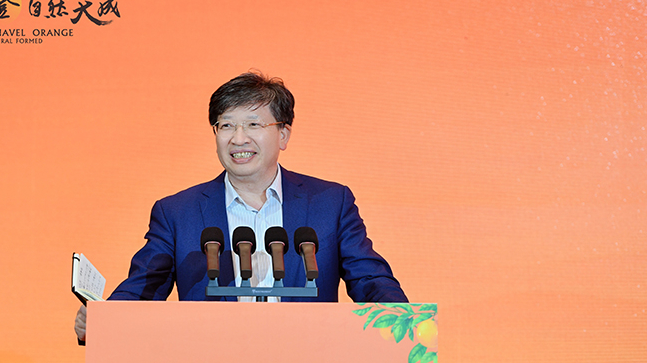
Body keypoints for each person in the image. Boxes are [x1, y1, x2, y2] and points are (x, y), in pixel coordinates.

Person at [75, 72, 406, 342]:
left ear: (283, 135)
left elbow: (370, 280)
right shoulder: (177, 212)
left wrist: (408, 323)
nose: (238, 138)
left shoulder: (330, 202)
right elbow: (143, 288)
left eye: (253, 124)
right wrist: (104, 321)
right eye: (226, 125)